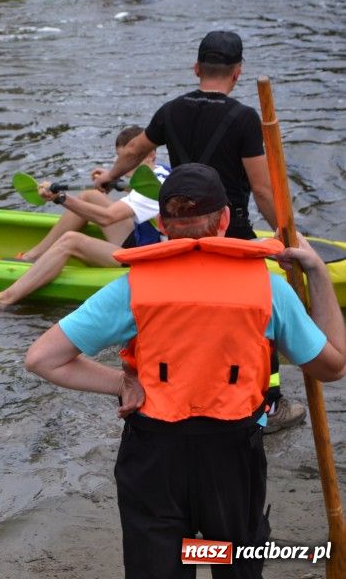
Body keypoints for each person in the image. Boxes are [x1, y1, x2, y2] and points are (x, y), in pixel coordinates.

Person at [24, 163, 345, 579]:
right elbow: (333, 366)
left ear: (161, 224)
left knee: (163, 564)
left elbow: (42, 359)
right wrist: (317, 272)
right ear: (226, 220)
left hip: (154, 457)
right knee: (232, 562)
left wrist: (122, 384)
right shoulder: (269, 289)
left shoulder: (131, 289)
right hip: (231, 458)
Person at [91, 30, 301, 432]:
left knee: (181, 311)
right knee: (255, 318)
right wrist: (287, 236)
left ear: (196, 68)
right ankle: (268, 404)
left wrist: (109, 177)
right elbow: (260, 188)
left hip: (181, 233)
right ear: (238, 73)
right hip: (230, 232)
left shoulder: (170, 110)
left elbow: (135, 150)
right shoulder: (243, 118)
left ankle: (174, 386)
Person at [0, 125, 169, 312]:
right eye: (123, 160)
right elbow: (138, 190)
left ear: (151, 153)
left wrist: (60, 198)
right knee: (89, 195)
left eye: (133, 159)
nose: (126, 167)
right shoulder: (160, 173)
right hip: (146, 242)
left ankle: (0, 300)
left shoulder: (153, 187)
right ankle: (31, 258)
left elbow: (108, 217)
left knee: (70, 241)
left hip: (147, 262)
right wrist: (113, 179)